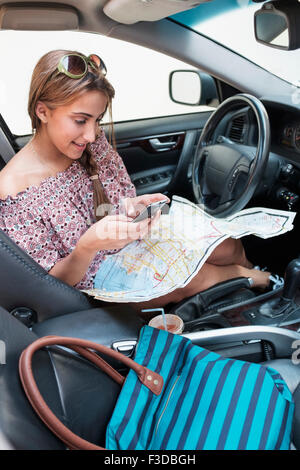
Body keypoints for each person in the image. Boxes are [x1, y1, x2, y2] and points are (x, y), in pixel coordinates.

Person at [0, 50, 276, 315]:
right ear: (43, 112)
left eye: (96, 120)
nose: (92, 134)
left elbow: (101, 209)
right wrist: (87, 247)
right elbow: (46, 286)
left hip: (127, 243)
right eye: (80, 120)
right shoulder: (14, 190)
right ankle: (262, 282)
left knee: (226, 244)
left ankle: (251, 283)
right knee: (196, 277)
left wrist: (131, 208)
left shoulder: (89, 146)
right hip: (92, 276)